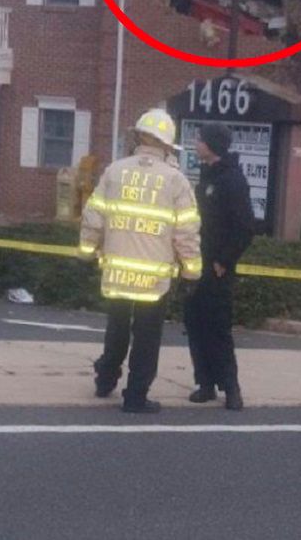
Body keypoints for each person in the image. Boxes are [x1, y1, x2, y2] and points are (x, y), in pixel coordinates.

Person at [79, 108, 202, 413]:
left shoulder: (115, 171)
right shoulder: (175, 181)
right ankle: (135, 396)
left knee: (116, 327)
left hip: (118, 271)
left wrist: (85, 254)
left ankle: (105, 379)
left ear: (139, 136)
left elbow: (93, 217)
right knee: (147, 338)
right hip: (153, 278)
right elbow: (186, 232)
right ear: (166, 144)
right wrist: (192, 273)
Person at [184, 122, 256, 410]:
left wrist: (223, 261)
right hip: (196, 265)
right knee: (195, 324)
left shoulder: (232, 180)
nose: (196, 143)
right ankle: (205, 383)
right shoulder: (206, 177)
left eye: (199, 139)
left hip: (216, 269)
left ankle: (231, 388)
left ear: (211, 144)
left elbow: (245, 227)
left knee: (218, 328)